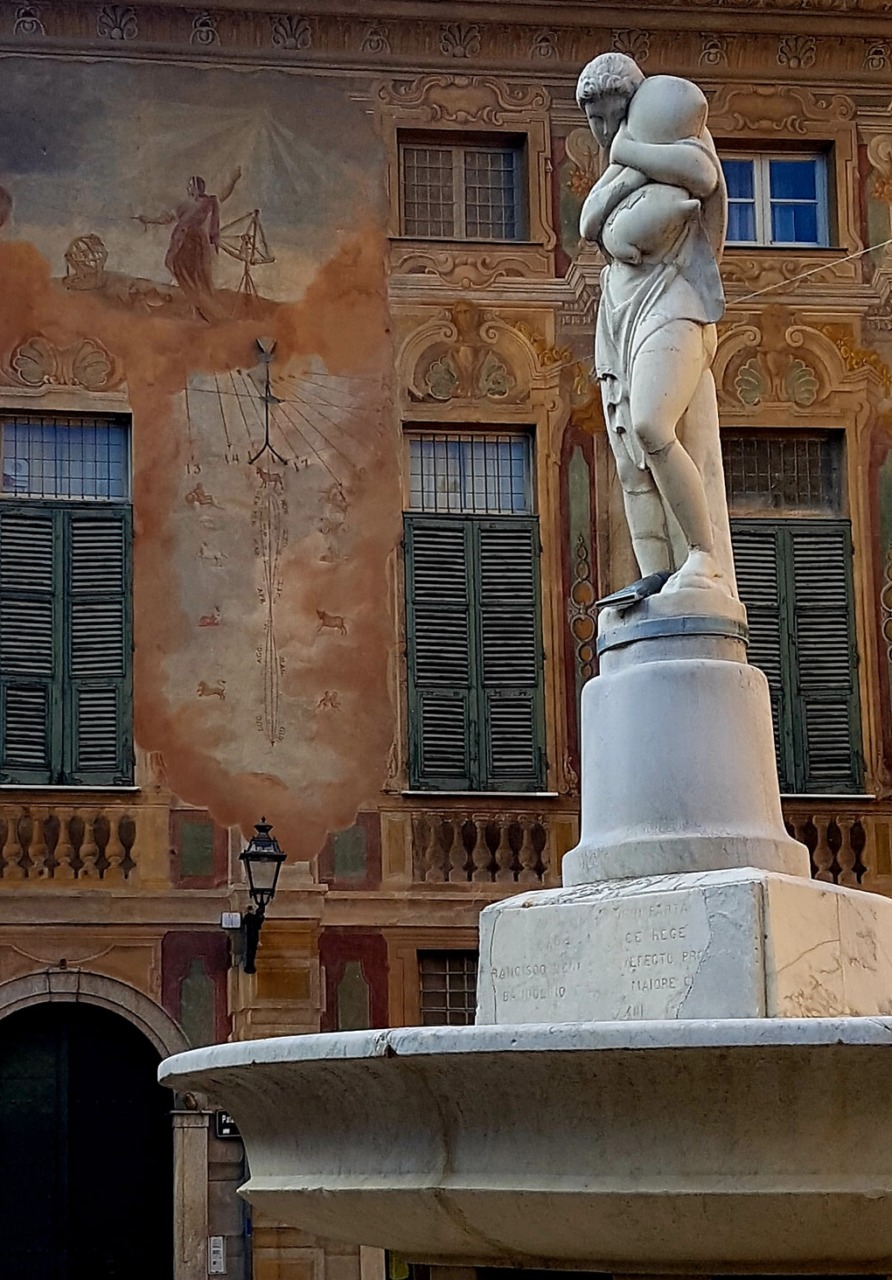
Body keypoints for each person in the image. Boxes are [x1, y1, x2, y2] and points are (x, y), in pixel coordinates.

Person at [577, 54, 736, 597]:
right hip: (619, 309)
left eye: (614, 115)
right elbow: (588, 220)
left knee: (651, 425)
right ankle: (654, 576)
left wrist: (629, 154)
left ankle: (704, 555)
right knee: (630, 462)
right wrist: (624, 176)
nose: (605, 131)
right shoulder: (622, 167)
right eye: (595, 121)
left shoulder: (680, 140)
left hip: (675, 301)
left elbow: (702, 177)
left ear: (641, 106)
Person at [137, 168, 241, 320]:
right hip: (182, 242)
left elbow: (224, 195)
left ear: (198, 187)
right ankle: (196, 307)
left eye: (191, 186)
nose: (189, 189)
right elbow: (166, 218)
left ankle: (204, 310)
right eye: (189, 186)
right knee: (178, 269)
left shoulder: (208, 201)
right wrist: (147, 219)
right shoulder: (184, 205)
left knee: (198, 277)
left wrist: (233, 180)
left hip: (197, 243)